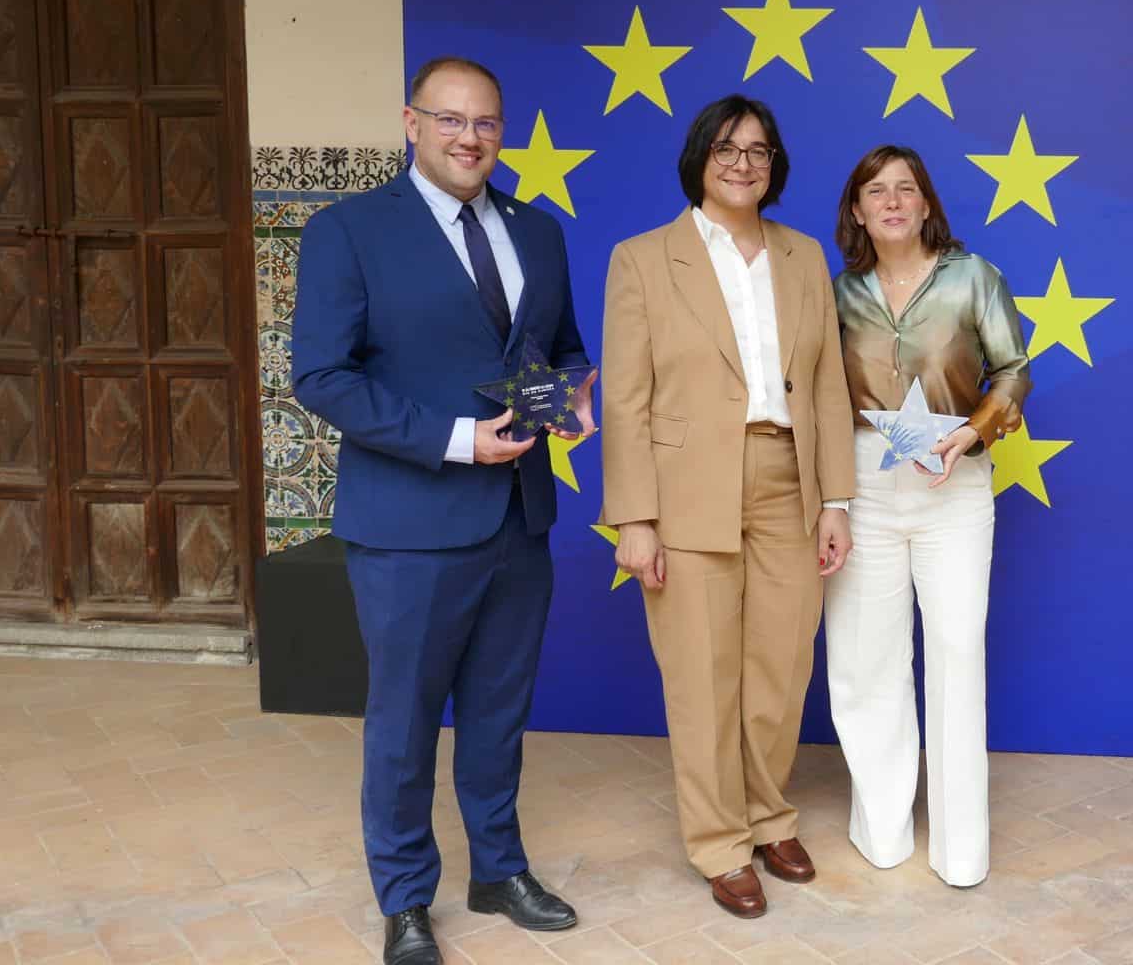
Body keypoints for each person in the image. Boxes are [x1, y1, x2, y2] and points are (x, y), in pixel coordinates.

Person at [293, 57, 592, 965]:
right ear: (411, 123)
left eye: (487, 122)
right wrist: (457, 439)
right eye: (451, 119)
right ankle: (405, 898)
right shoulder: (348, 230)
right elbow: (322, 376)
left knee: (499, 712)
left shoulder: (538, 232)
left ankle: (498, 870)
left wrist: (568, 398)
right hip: (409, 524)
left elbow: (562, 349)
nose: (470, 138)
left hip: (518, 518)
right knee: (405, 724)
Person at [599, 94, 855, 919]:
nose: (743, 163)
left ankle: (768, 816)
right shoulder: (643, 259)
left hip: (790, 478)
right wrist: (636, 518)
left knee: (780, 667)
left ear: (774, 164)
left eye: (758, 150)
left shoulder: (804, 256)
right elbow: (626, 398)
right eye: (726, 148)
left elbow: (827, 386)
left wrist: (836, 499)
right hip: (687, 488)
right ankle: (719, 842)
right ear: (699, 159)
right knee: (702, 672)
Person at [824, 144, 1029, 888]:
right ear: (857, 210)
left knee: (955, 653)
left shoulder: (974, 277)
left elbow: (1013, 371)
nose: (892, 201)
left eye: (905, 188)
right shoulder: (838, 293)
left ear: (926, 203)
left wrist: (973, 432)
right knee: (865, 659)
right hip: (864, 487)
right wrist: (831, 500)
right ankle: (880, 827)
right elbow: (819, 395)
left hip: (955, 486)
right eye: (875, 191)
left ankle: (960, 846)